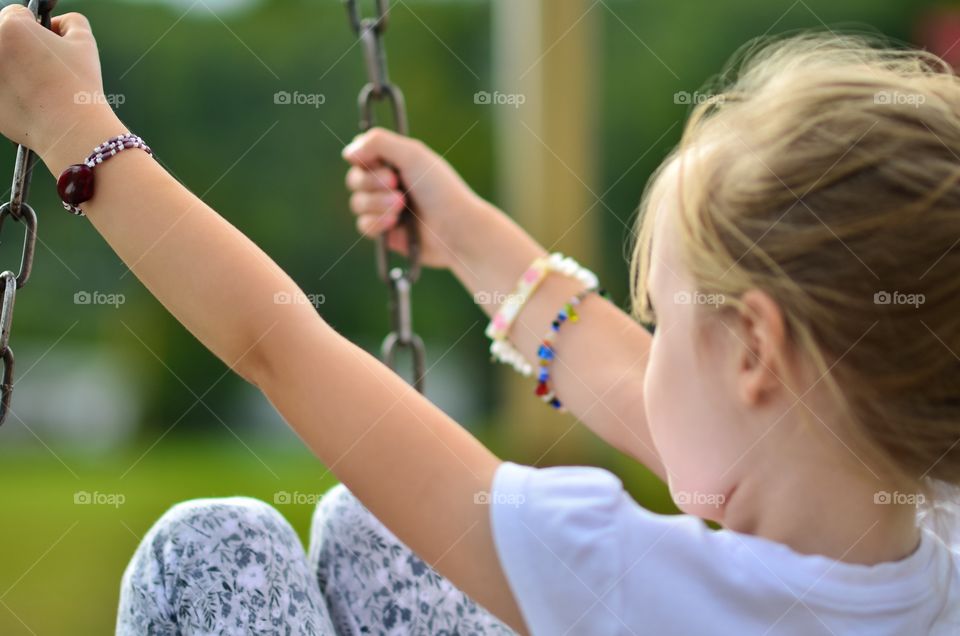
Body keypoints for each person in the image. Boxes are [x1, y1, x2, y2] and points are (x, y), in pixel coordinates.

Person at [0, 5, 957, 634]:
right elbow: (642, 392)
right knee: (367, 529)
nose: (647, 353)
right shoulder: (930, 541)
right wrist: (466, 238)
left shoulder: (625, 581)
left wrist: (77, 133)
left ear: (756, 349)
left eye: (662, 320)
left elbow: (278, 341)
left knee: (212, 553)